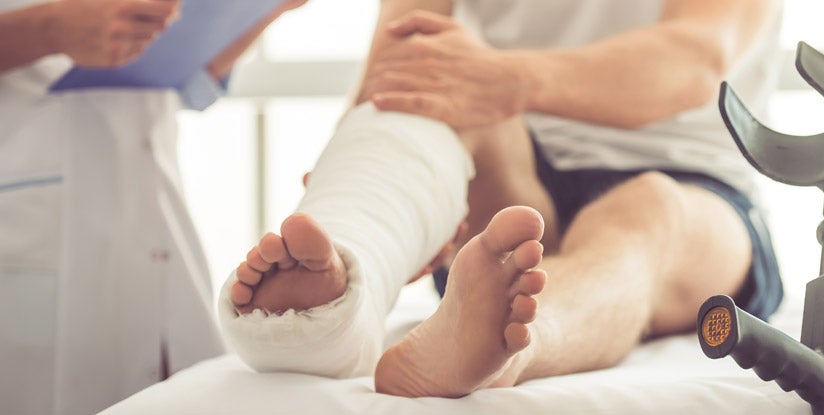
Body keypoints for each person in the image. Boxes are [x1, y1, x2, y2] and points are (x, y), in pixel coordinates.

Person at [220, 0, 785, 398]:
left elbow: (695, 57)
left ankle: (507, 344)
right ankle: (341, 293)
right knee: (425, 92)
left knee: (650, 210)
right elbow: (403, 62)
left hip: (693, 184)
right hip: (511, 178)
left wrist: (510, 79)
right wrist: (365, 161)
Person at [0, 0, 305, 413]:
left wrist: (265, 10)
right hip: (30, 211)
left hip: (153, 209)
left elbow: (188, 86)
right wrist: (49, 28)